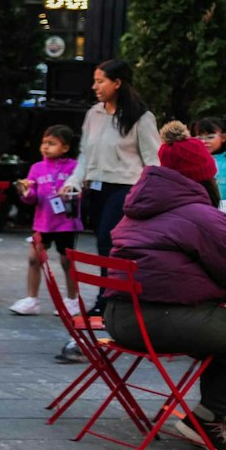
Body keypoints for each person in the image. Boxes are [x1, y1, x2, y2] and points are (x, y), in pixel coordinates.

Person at [106, 131, 226, 450]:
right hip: (160, 318)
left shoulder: (139, 207)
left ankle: (218, 417)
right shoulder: (201, 215)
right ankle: (205, 418)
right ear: (206, 175)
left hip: (120, 316)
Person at [61, 57, 161, 293]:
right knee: (103, 242)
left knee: (108, 239)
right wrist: (73, 181)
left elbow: (153, 161)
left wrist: (148, 195)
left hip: (126, 188)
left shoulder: (141, 118)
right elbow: (85, 154)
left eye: (100, 81)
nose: (95, 87)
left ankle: (108, 297)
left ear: (117, 83)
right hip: (95, 188)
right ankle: (111, 295)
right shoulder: (93, 114)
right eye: (94, 81)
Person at [11, 124, 83, 316]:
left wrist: (73, 194)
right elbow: (32, 196)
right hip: (43, 221)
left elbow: (82, 191)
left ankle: (72, 300)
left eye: (52, 143)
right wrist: (26, 193)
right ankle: (31, 299)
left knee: (67, 261)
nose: (45, 147)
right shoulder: (36, 168)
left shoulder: (74, 168)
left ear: (65, 148)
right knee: (34, 258)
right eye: (44, 142)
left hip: (66, 223)